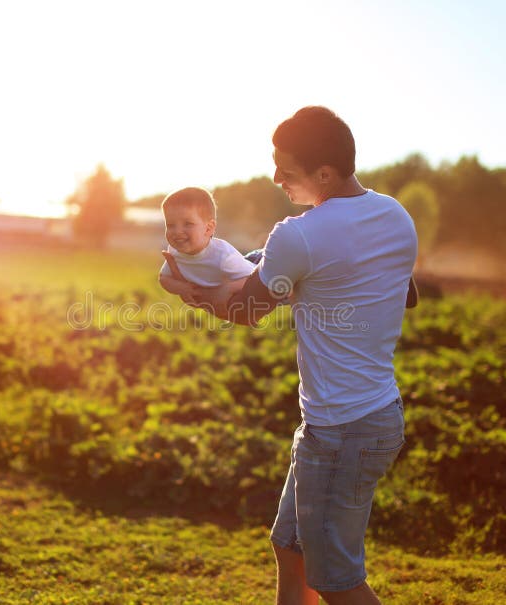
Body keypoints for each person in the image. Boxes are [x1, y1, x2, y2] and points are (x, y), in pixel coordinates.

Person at [166, 106, 418, 605]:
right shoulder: (395, 215)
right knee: (291, 548)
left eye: (288, 170)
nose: (276, 177)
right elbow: (404, 290)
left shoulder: (299, 234)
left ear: (324, 174)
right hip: (370, 418)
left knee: (335, 579)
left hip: (341, 429)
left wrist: (189, 290)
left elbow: (244, 310)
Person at [158, 186, 257, 304]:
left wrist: (226, 289)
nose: (178, 232)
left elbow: (256, 281)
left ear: (208, 229)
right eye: (171, 225)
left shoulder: (224, 256)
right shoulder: (174, 252)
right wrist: (182, 288)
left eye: (188, 224)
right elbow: (164, 278)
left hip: (256, 267)